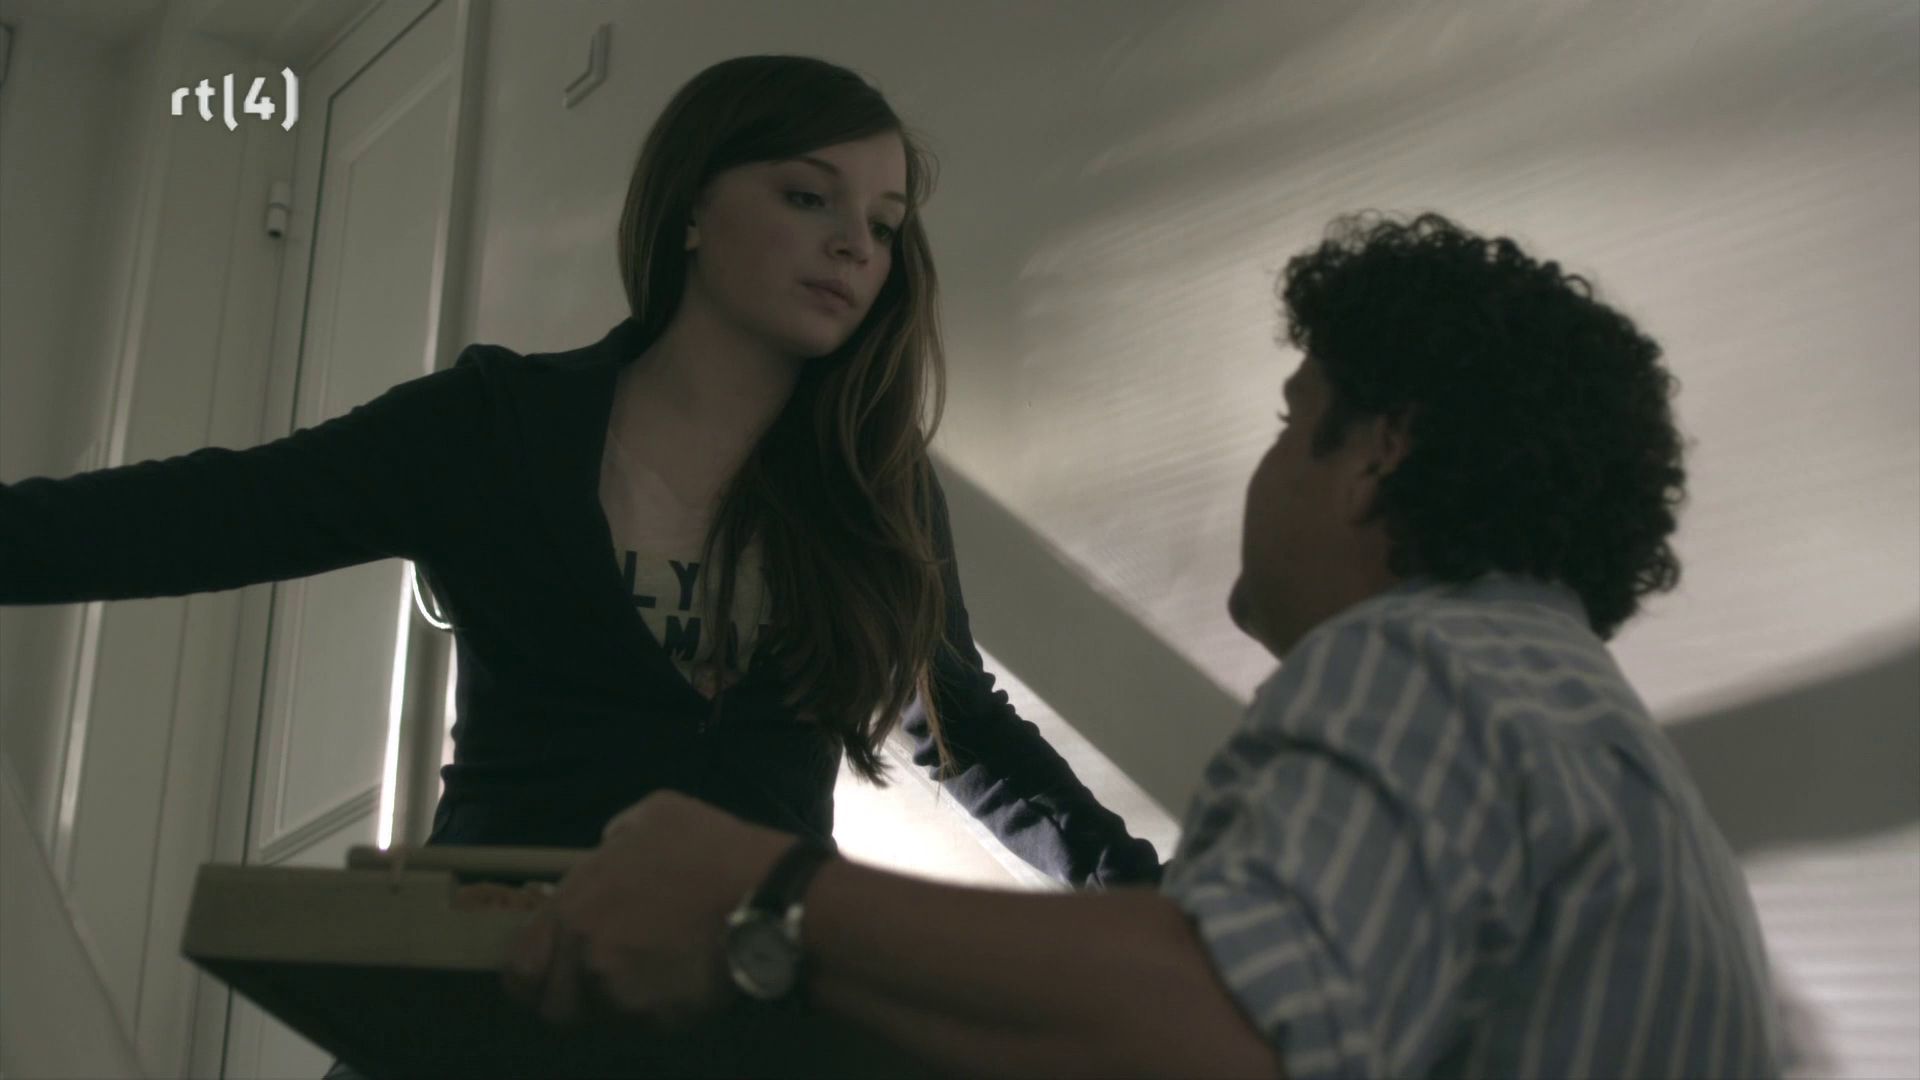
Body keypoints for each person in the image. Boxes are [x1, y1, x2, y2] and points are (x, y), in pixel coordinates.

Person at [1, 53, 1161, 1073]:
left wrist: (1160, 915)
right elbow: (202, 513)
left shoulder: (876, 491)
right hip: (484, 1006)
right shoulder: (494, 427)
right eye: (808, 196)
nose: (856, 243)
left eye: (886, 222)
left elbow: (962, 728)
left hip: (741, 1023)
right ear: (692, 207)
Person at [503, 212, 1785, 1079]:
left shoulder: (1420, 664)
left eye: (1291, 420)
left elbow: (1225, 1027)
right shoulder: (1582, 729)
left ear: (1375, 456)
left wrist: (769, 894)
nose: (1266, 467)